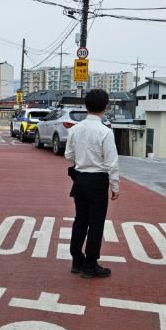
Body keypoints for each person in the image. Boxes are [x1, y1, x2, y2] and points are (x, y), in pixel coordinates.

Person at [65, 89, 120, 279]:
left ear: (86, 106)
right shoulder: (106, 132)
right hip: (97, 182)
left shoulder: (75, 129)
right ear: (105, 107)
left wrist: (81, 160)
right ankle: (90, 265)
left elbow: (68, 155)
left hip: (79, 180)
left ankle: (76, 260)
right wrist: (115, 186)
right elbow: (111, 163)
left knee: (80, 220)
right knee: (96, 224)